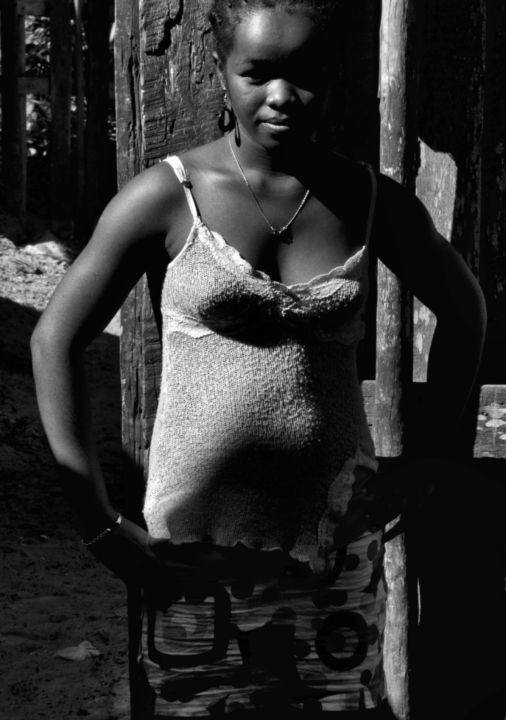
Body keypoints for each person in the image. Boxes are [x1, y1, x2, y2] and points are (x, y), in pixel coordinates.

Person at [31, 0, 487, 717]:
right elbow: (52, 339)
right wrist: (97, 521)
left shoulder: (367, 201)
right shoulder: (168, 197)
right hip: (193, 555)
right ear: (222, 71)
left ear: (333, 78)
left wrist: (432, 459)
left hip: (334, 548)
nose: (280, 95)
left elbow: (467, 315)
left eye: (303, 74)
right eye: (257, 73)